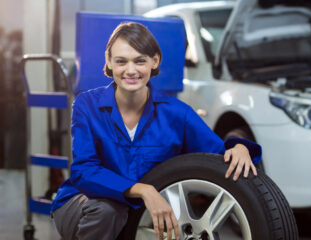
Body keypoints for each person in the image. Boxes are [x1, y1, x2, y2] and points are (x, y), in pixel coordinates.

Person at [51, 22, 261, 240]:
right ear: (109, 62)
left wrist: (239, 149)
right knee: (108, 211)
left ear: (155, 61)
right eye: (121, 61)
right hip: (84, 203)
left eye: (140, 61)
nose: (130, 70)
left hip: (141, 210)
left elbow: (215, 155)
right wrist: (142, 190)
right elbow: (84, 171)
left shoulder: (177, 114)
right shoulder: (87, 105)